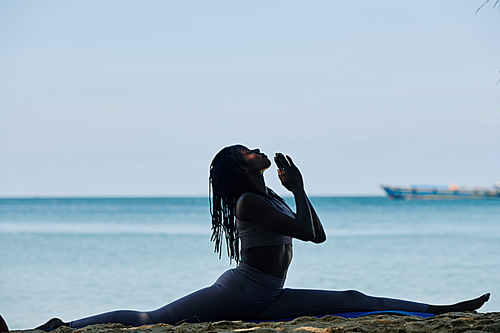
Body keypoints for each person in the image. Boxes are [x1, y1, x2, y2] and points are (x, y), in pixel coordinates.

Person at [37, 144, 490, 330]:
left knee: (352, 296)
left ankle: (441, 309)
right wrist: (299, 191)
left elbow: (319, 235)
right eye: (248, 151)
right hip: (243, 290)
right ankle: (65, 327)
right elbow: (310, 237)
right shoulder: (249, 204)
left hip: (269, 293)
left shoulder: (270, 196)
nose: (258, 150)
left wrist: (298, 189)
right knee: (152, 320)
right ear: (239, 167)